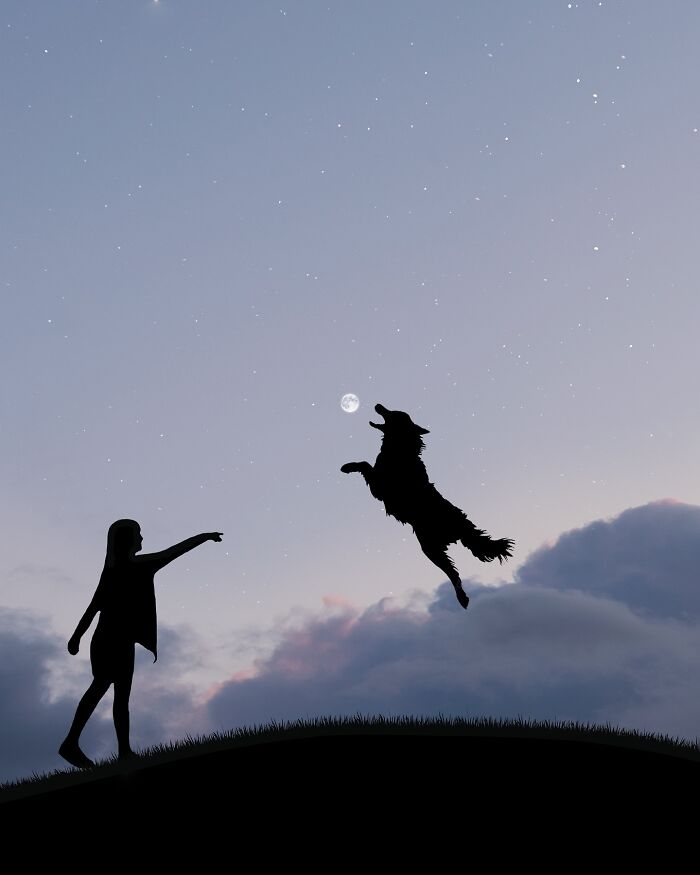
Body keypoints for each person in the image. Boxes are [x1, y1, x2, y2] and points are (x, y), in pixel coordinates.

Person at [59, 519, 223, 768]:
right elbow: (95, 605)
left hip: (117, 641)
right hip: (110, 641)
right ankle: (73, 743)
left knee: (118, 695)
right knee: (103, 688)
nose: (142, 539)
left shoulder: (118, 569)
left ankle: (121, 750)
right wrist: (76, 636)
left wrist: (77, 636)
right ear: (128, 540)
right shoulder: (136, 566)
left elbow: (94, 606)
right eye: (138, 534)